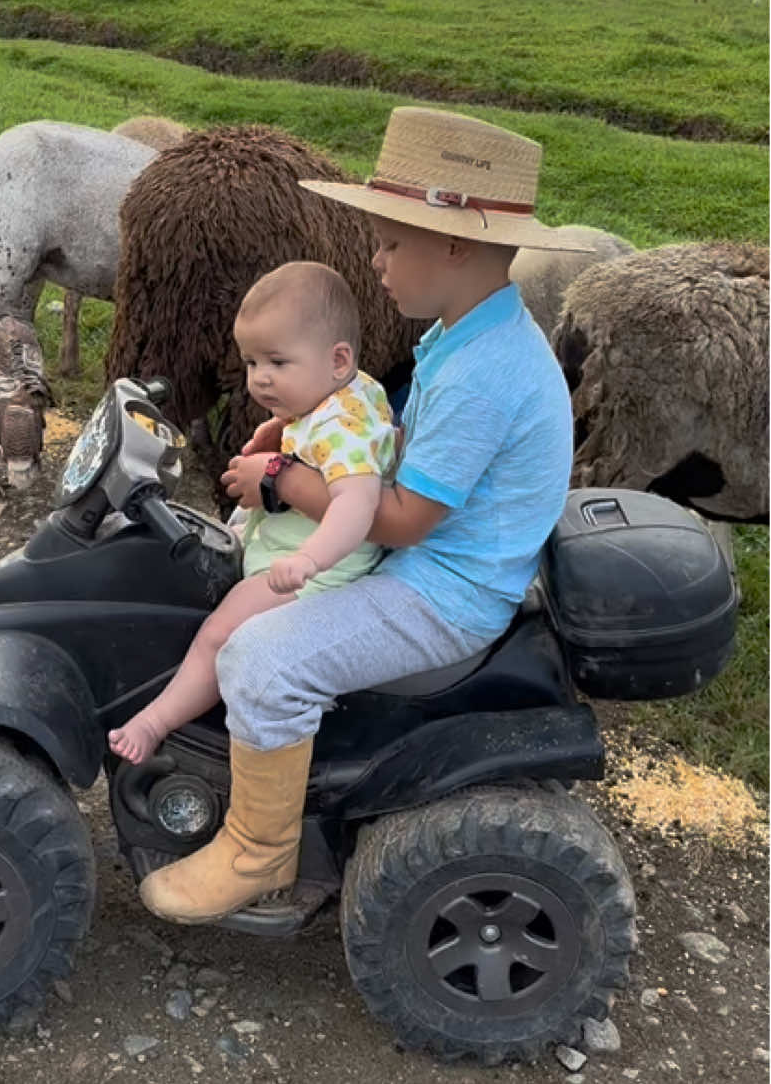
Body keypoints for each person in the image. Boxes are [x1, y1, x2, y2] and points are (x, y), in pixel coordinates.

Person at [139, 105, 591, 927]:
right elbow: (387, 443)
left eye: (390, 241)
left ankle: (259, 849)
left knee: (261, 658)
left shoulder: (484, 372)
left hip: (443, 591)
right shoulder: (463, 334)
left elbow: (406, 517)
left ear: (453, 244)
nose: (374, 260)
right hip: (438, 562)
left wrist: (283, 478)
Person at [109, 260, 397, 764]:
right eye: (251, 363)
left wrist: (309, 560)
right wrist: (281, 434)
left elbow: (359, 504)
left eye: (277, 363)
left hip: (314, 576)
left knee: (218, 634)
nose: (260, 379)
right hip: (286, 543)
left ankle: (155, 721)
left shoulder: (344, 428)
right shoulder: (343, 393)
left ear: (338, 359)